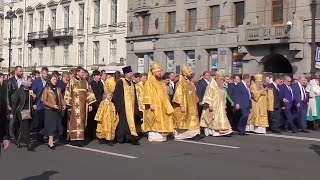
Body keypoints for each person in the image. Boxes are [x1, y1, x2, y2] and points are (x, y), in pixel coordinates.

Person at [64, 67, 96, 146]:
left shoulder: (86, 82)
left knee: (81, 123)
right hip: (74, 107)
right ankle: (74, 140)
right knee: (74, 123)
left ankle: (80, 139)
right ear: (77, 72)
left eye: (83, 72)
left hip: (83, 107)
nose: (82, 74)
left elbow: (90, 93)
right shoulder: (71, 82)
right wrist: (69, 106)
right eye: (81, 72)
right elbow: (67, 94)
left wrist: (90, 104)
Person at [143, 64, 175, 142]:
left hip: (162, 105)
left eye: (160, 71)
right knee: (154, 119)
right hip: (154, 104)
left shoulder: (161, 82)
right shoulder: (149, 82)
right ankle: (153, 136)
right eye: (158, 71)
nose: (160, 73)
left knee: (162, 118)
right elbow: (147, 93)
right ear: (154, 72)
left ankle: (162, 133)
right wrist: (150, 103)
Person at [113, 66, 141, 145]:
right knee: (123, 123)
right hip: (123, 107)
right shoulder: (121, 82)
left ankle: (130, 137)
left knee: (130, 123)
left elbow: (135, 96)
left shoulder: (132, 83)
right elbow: (117, 95)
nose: (132, 74)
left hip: (131, 107)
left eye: (131, 73)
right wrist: (118, 107)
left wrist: (136, 107)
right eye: (130, 73)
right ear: (126, 74)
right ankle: (122, 138)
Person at [172, 65, 202, 140]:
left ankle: (195, 133)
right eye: (189, 73)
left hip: (192, 106)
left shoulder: (191, 83)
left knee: (193, 119)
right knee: (184, 120)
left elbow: (194, 94)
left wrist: (197, 101)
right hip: (184, 105)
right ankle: (184, 135)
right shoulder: (180, 83)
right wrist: (181, 105)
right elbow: (178, 95)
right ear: (185, 74)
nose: (190, 74)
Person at [200, 71, 233, 137]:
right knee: (212, 118)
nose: (222, 81)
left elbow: (223, 95)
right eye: (221, 79)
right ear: (217, 79)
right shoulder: (211, 85)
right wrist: (209, 104)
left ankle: (223, 130)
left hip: (220, 106)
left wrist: (224, 104)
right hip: (213, 105)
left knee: (221, 118)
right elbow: (208, 95)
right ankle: (213, 131)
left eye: (222, 80)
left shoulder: (221, 86)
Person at [41, 75, 66, 150]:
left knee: (56, 125)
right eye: (54, 79)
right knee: (51, 126)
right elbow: (44, 101)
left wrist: (64, 104)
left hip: (57, 109)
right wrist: (52, 106)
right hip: (49, 109)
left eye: (56, 79)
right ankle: (50, 142)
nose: (55, 81)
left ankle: (47, 137)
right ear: (50, 80)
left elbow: (61, 98)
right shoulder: (46, 89)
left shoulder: (58, 89)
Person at [13, 76, 37, 151]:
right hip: (21, 111)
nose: (31, 82)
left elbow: (32, 101)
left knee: (28, 126)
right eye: (29, 81)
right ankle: (28, 143)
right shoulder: (20, 90)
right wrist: (12, 112)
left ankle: (17, 140)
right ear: (24, 81)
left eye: (31, 81)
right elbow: (15, 101)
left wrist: (34, 99)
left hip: (29, 111)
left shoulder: (30, 90)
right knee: (25, 126)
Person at [6, 66, 24, 143]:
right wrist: (9, 107)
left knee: (19, 121)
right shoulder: (10, 81)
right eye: (20, 71)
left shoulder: (22, 80)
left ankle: (18, 135)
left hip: (21, 104)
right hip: (13, 104)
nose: (21, 73)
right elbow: (7, 95)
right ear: (16, 71)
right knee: (12, 121)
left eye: (22, 71)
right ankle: (12, 136)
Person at [32, 67, 49, 142]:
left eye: (47, 73)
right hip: (38, 103)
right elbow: (33, 92)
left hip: (46, 103)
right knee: (40, 120)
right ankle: (39, 137)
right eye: (45, 73)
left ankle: (42, 135)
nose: (46, 75)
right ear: (42, 73)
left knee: (45, 120)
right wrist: (34, 103)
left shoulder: (48, 82)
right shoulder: (36, 81)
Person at [87, 70, 104, 139]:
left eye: (100, 75)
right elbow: (89, 94)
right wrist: (90, 104)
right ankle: (91, 133)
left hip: (100, 103)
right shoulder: (90, 84)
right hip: (93, 103)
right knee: (92, 119)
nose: (99, 77)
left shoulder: (100, 83)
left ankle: (98, 133)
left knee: (98, 119)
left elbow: (102, 93)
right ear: (94, 76)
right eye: (98, 76)